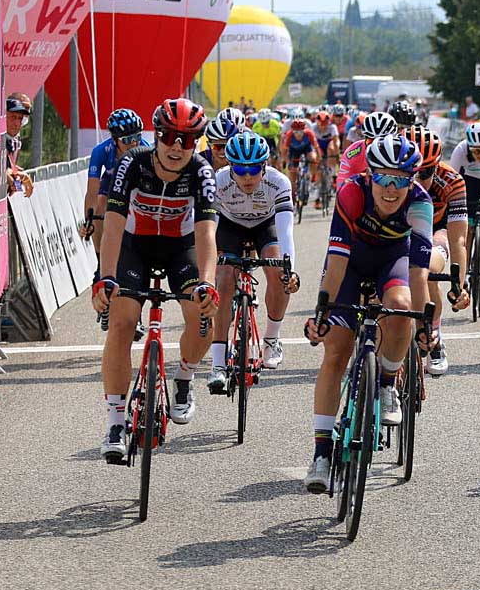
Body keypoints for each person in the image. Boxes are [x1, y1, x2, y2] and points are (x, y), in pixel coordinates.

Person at [91, 98, 220, 461]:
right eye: (169, 137)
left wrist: (207, 284)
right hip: (135, 247)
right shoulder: (132, 163)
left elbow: (207, 235)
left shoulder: (200, 172)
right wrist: (106, 278)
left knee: (204, 318)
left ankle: (183, 377)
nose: (177, 146)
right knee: (122, 322)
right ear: (156, 135)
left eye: (188, 139)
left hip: (180, 248)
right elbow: (113, 226)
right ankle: (116, 421)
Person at [302, 135, 433, 492]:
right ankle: (321, 452)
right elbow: (337, 263)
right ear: (370, 175)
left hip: (392, 262)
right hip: (351, 265)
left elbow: (419, 274)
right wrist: (322, 311)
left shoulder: (420, 204)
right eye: (384, 179)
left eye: (401, 180)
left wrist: (426, 322)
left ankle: (388, 382)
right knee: (336, 351)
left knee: (402, 310)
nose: (391, 189)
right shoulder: (350, 193)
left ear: (412, 180)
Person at [207, 132, 300, 389]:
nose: (247, 176)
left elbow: (285, 231)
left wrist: (290, 269)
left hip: (264, 225)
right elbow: (209, 230)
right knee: (223, 280)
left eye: (254, 169)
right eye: (239, 169)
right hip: (230, 226)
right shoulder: (218, 182)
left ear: (265, 166)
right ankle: (217, 363)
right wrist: (208, 262)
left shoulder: (278, 183)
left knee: (277, 271)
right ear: (229, 166)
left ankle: (272, 338)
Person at [401, 126, 471, 375]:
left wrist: (459, 285)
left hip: (435, 231)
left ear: (438, 165)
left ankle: (434, 337)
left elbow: (458, 240)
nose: (419, 179)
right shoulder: (391, 178)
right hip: (400, 230)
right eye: (413, 171)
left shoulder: (452, 181)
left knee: (426, 269)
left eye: (426, 172)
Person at [83, 109, 149, 254]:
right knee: (100, 204)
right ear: (115, 140)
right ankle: (100, 257)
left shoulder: (146, 150)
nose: (133, 143)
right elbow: (92, 192)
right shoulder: (101, 151)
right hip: (111, 180)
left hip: (137, 182)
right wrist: (89, 220)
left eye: (137, 137)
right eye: (126, 140)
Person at [335, 111, 398, 188]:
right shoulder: (353, 152)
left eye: (382, 142)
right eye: (371, 141)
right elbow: (341, 181)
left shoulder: (401, 151)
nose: (375, 146)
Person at [280, 116, 320, 198]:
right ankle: (293, 195)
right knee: (292, 173)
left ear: (304, 130)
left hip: (306, 149)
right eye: (296, 132)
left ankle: (312, 177)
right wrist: (288, 162)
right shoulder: (289, 135)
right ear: (292, 131)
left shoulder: (309, 134)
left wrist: (318, 160)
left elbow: (316, 148)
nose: (298, 135)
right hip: (293, 151)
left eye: (301, 132)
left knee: (313, 158)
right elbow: (284, 152)